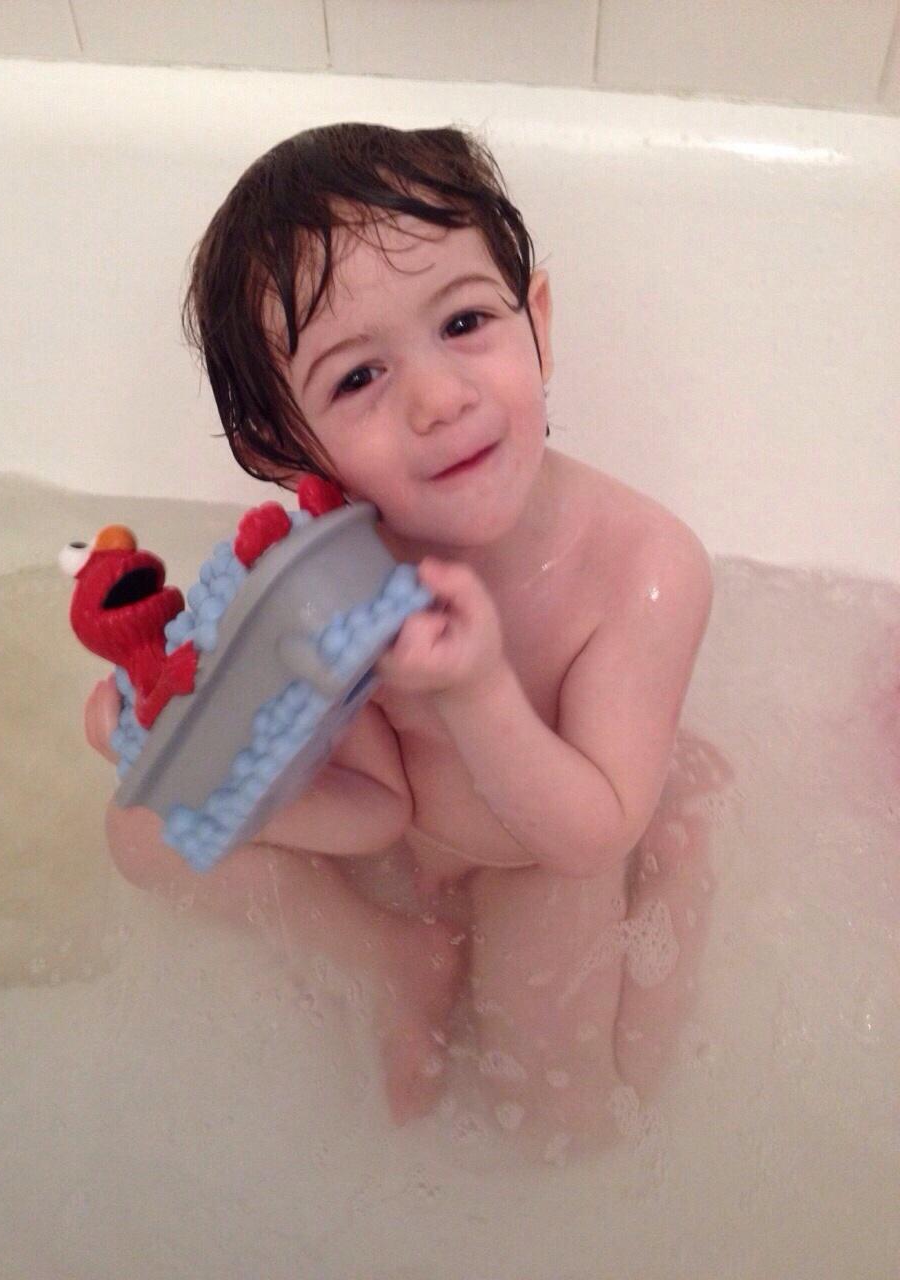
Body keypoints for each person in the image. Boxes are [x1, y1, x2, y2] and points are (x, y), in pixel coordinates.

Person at [85, 122, 724, 1147]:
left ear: (537, 321)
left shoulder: (643, 567)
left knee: (561, 1128)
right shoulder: (325, 570)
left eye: (465, 321)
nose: (438, 398)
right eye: (357, 378)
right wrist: (169, 737)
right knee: (141, 829)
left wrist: (477, 692)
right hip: (414, 834)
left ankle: (683, 841)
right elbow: (375, 806)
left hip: (547, 847)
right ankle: (391, 953)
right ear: (282, 445)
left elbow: (588, 832)